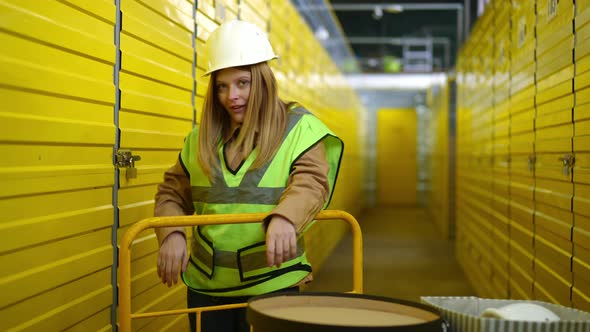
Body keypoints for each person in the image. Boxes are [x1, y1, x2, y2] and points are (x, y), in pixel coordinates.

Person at [153, 19, 343, 332]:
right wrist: (170, 233)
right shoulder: (199, 140)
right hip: (207, 290)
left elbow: (311, 183)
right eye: (222, 87)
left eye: (243, 83)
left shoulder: (299, 128)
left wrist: (285, 218)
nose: (232, 96)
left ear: (264, 81)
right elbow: (171, 194)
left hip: (274, 282)